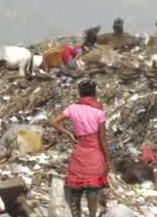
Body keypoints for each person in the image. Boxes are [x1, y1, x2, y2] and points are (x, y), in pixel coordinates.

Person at [50, 80, 111, 217]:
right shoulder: (98, 111)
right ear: (94, 93)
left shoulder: (72, 108)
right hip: (94, 153)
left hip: (79, 151)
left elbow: (53, 122)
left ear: (80, 93)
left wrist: (69, 134)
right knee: (92, 191)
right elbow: (102, 138)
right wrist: (107, 159)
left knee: (76, 190)